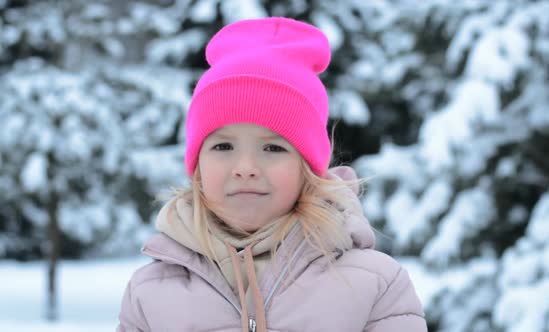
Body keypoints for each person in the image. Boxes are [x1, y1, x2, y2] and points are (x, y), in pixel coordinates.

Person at [117, 17, 427, 332]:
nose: (246, 168)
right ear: (197, 165)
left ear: (307, 166)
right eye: (223, 147)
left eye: (273, 149)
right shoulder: (150, 293)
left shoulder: (373, 284)